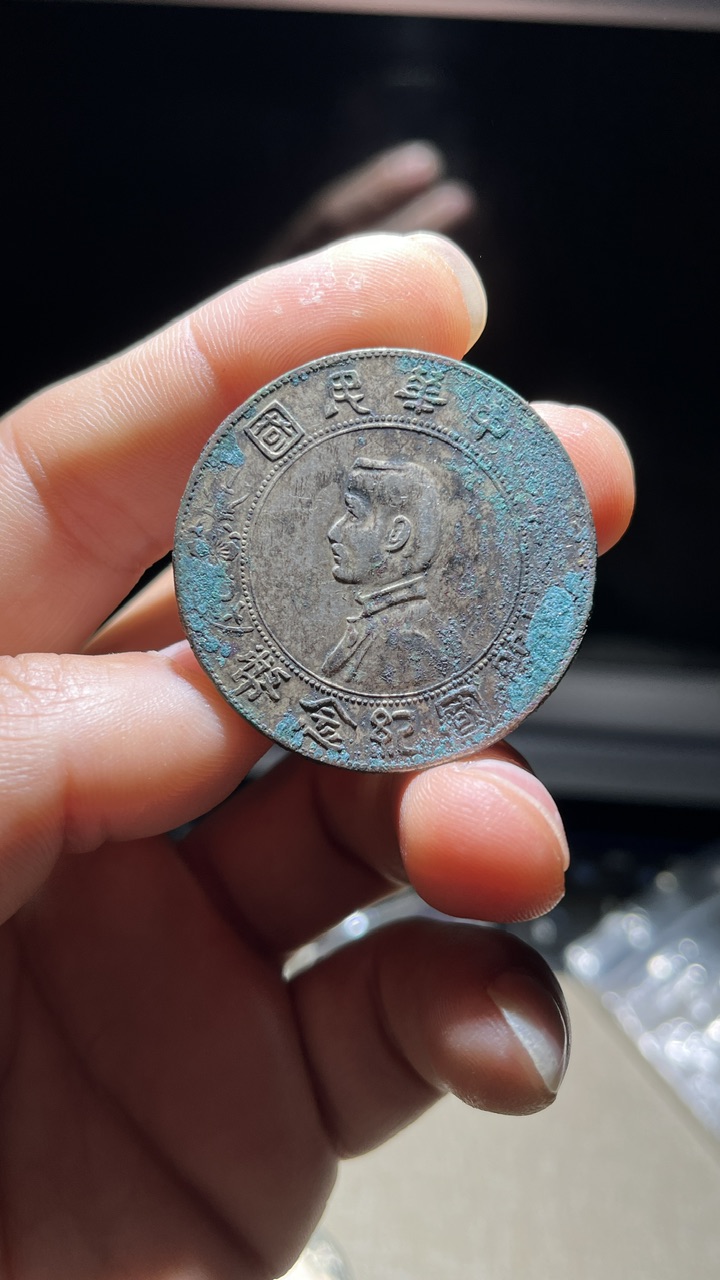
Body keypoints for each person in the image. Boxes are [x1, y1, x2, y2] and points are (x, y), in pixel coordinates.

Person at [0, 230, 634, 1278]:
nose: (331, 539)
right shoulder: (359, 647)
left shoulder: (406, 652)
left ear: (402, 543)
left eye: (354, 523)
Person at [324, 456, 442, 683]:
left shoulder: (407, 645)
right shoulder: (382, 626)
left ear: (396, 535)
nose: (334, 532)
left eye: (353, 514)